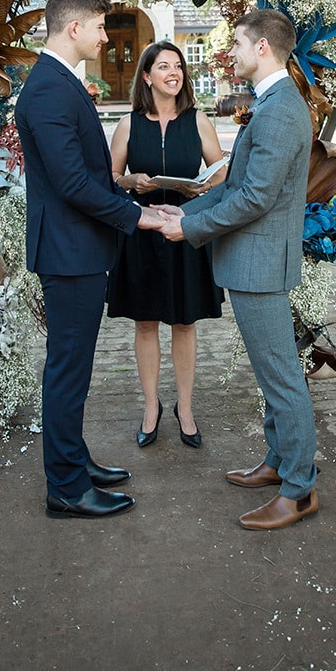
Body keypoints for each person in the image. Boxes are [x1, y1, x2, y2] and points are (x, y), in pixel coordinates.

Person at [155, 8, 319, 531]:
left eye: (240, 44)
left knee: (282, 378)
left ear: (264, 48)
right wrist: (188, 211)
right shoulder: (272, 103)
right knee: (273, 374)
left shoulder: (278, 110)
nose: (233, 52)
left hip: (261, 265)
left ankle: (299, 489)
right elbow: (236, 184)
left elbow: (255, 198)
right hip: (254, 262)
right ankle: (277, 463)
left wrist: (192, 230)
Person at [15, 0, 164, 520]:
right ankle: (66, 488)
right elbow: (74, 183)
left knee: (73, 367)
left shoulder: (60, 82)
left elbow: (85, 174)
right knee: (67, 370)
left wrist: (128, 192)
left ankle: (74, 461)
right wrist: (138, 215)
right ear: (73, 28)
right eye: (100, 27)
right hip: (68, 253)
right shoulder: (50, 90)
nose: (106, 37)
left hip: (77, 249)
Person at [107, 42, 227, 449]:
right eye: (164, 67)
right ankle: (151, 406)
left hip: (186, 231)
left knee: (184, 321)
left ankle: (186, 408)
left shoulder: (198, 121)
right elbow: (111, 178)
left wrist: (202, 190)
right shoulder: (128, 124)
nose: (174, 73)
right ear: (147, 76)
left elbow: (221, 174)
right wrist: (132, 182)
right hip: (140, 232)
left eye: (178, 67)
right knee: (144, 322)